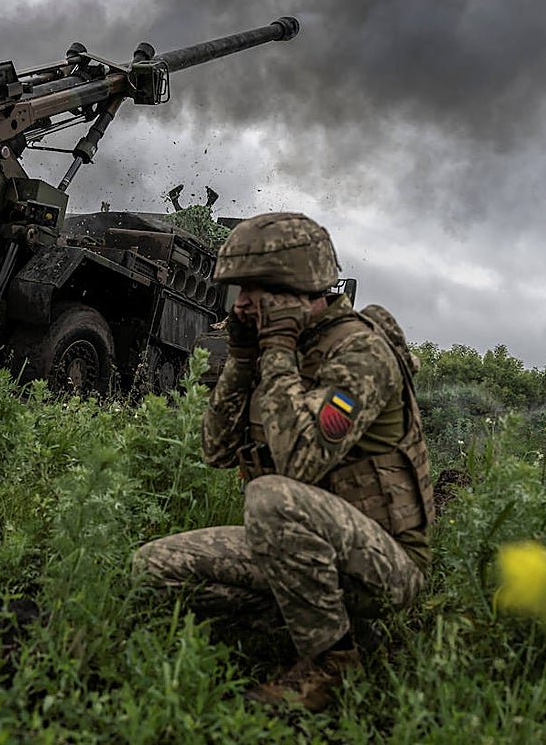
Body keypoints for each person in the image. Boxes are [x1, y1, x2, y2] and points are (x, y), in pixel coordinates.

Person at [131, 212, 434, 710]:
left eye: (256, 290)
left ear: (300, 290)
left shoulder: (360, 353)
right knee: (153, 569)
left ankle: (332, 664)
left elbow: (299, 465)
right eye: (240, 290)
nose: (242, 303)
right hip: (304, 549)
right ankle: (318, 620)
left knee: (270, 494)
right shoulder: (281, 348)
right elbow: (218, 450)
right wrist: (245, 358)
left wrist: (274, 351)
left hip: (384, 567)